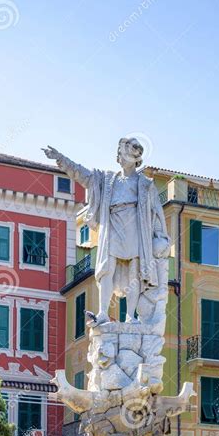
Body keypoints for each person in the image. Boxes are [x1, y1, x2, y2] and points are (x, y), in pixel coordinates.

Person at [42, 138, 170, 325]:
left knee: (134, 274)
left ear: (135, 158)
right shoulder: (108, 180)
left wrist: (160, 237)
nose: (121, 157)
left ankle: (130, 316)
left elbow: (156, 213)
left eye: (125, 154)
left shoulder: (145, 184)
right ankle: (103, 312)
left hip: (136, 230)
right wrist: (60, 159)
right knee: (106, 270)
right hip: (112, 227)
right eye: (120, 153)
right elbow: (83, 175)